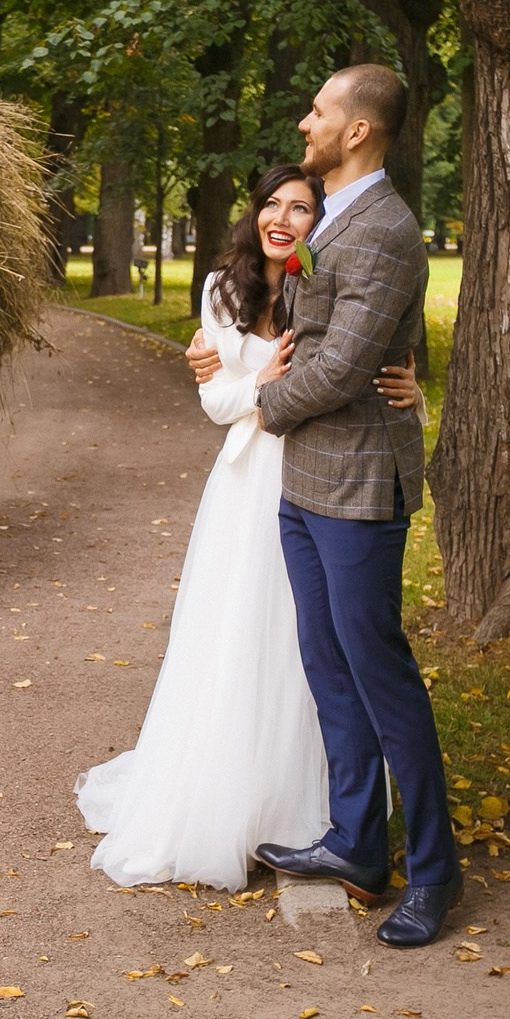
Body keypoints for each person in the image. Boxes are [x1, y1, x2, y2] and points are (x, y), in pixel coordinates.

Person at [75, 165, 423, 892]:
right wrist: (259, 385)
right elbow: (215, 401)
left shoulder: (320, 284)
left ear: (319, 224)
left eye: (302, 208)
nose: (283, 218)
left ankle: (319, 812)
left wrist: (409, 388)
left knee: (310, 649)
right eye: (273, 203)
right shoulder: (222, 289)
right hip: (249, 479)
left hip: (322, 472)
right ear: (255, 212)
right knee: (239, 634)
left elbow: (362, 363)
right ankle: (227, 799)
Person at [189, 64, 460, 948]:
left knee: (380, 676)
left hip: (356, 485)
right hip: (305, 482)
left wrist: (256, 404)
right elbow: (317, 334)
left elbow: (344, 368)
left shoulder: (383, 228)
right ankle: (355, 843)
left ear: (358, 132)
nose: (305, 122)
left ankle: (434, 875)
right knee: (327, 666)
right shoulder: (333, 219)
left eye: (319, 112)